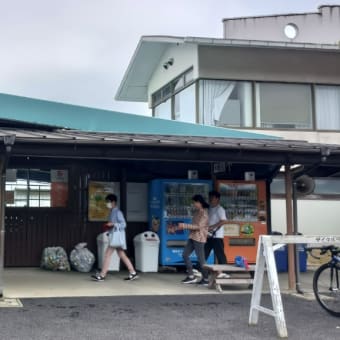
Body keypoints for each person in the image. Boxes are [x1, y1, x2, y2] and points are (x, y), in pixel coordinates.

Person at [91, 194, 139, 282]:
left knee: (107, 255)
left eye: (108, 202)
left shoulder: (117, 212)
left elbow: (124, 224)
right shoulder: (112, 212)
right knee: (122, 255)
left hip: (115, 238)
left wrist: (113, 224)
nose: (107, 204)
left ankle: (102, 275)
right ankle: (133, 272)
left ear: (113, 202)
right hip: (115, 238)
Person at [177, 194, 210, 285]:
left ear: (200, 202)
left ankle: (206, 279)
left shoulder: (204, 214)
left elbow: (199, 227)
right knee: (185, 255)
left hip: (199, 238)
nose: (194, 204)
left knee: (201, 259)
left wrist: (184, 226)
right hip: (192, 236)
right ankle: (191, 276)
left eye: (195, 202)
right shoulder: (197, 212)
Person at [205, 190, 229, 279]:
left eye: (212, 198)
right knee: (204, 253)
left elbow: (224, 221)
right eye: (210, 197)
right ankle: (202, 272)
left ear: (217, 199)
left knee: (220, 255)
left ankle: (225, 272)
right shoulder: (209, 208)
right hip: (209, 236)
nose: (210, 199)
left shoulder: (220, 209)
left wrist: (213, 227)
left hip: (217, 236)